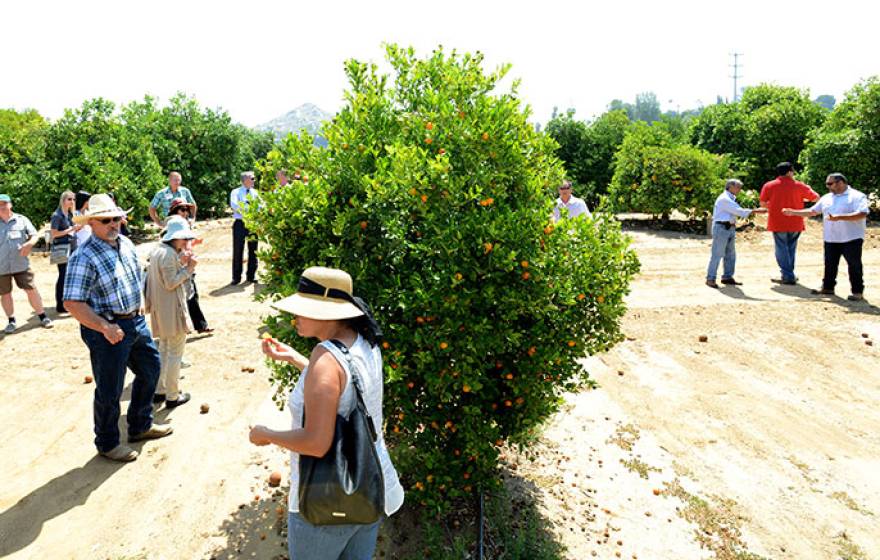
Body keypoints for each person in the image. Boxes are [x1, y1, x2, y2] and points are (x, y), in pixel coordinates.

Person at [248, 267, 404, 559]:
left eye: (302, 310)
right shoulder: (363, 340)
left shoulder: (326, 359)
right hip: (369, 487)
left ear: (327, 313)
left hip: (327, 501)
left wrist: (265, 435)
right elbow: (345, 388)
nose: (294, 318)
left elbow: (317, 443)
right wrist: (296, 360)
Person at [63, 194, 172, 462]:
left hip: (134, 321)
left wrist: (140, 305)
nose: (113, 224)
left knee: (150, 369)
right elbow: (72, 302)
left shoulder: (124, 243)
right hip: (106, 328)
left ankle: (140, 425)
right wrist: (104, 327)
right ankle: (108, 443)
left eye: (116, 218)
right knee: (110, 388)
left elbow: (135, 276)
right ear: (91, 223)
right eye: (105, 220)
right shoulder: (83, 256)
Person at [782, 173, 870, 301]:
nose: (828, 187)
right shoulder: (827, 198)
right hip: (831, 237)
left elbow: (862, 213)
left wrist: (840, 217)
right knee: (830, 264)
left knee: (854, 265)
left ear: (840, 182)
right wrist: (793, 212)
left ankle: (857, 291)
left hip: (851, 237)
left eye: (830, 184)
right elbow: (813, 211)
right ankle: (828, 287)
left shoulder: (856, 196)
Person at [145, 218, 198, 407]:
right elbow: (171, 283)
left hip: (161, 309)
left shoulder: (159, 251)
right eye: (183, 238)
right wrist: (189, 269)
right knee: (175, 353)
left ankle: (160, 390)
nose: (186, 242)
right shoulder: (168, 254)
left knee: (164, 351)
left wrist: (182, 264)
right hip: (172, 310)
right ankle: (173, 396)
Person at [760, 162, 820, 285]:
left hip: (777, 221)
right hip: (796, 221)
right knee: (791, 248)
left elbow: (763, 203)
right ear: (789, 172)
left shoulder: (769, 185)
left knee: (781, 248)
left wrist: (774, 205)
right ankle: (788, 274)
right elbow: (816, 198)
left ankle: (787, 275)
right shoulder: (799, 186)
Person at [0, 194, 53, 333]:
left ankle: (42, 316)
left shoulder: (22, 220)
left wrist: (29, 244)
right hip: (1, 266)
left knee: (31, 289)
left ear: (10, 204)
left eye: (4, 203)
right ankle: (11, 321)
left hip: (21, 264)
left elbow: (35, 235)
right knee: (5, 294)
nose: (2, 206)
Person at [705, 180, 767, 288]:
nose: (739, 189)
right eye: (738, 187)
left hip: (729, 228)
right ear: (730, 187)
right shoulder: (724, 199)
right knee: (717, 254)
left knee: (730, 254)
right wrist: (756, 211)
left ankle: (727, 277)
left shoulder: (729, 198)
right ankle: (710, 278)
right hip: (722, 227)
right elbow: (738, 211)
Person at [167, 199, 212, 333]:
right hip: (180, 265)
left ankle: (199, 325)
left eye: (187, 209)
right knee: (185, 297)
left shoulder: (184, 224)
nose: (186, 212)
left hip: (187, 264)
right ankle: (193, 326)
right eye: (183, 209)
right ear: (175, 211)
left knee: (192, 295)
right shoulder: (171, 225)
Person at [49, 190, 80, 313]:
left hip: (71, 247)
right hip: (62, 248)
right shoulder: (57, 215)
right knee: (63, 275)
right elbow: (54, 234)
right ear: (63, 200)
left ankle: (67, 303)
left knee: (69, 275)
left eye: (73, 199)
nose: (72, 202)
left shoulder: (69, 214)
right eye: (69, 199)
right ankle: (60, 304)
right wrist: (70, 229)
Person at [230, 171, 260, 285]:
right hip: (240, 222)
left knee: (253, 249)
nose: (254, 181)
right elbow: (234, 205)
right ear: (245, 180)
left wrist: (254, 211)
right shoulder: (236, 192)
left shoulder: (255, 192)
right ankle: (236, 277)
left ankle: (251, 276)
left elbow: (260, 205)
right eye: (252, 178)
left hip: (252, 223)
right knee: (238, 250)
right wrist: (250, 210)